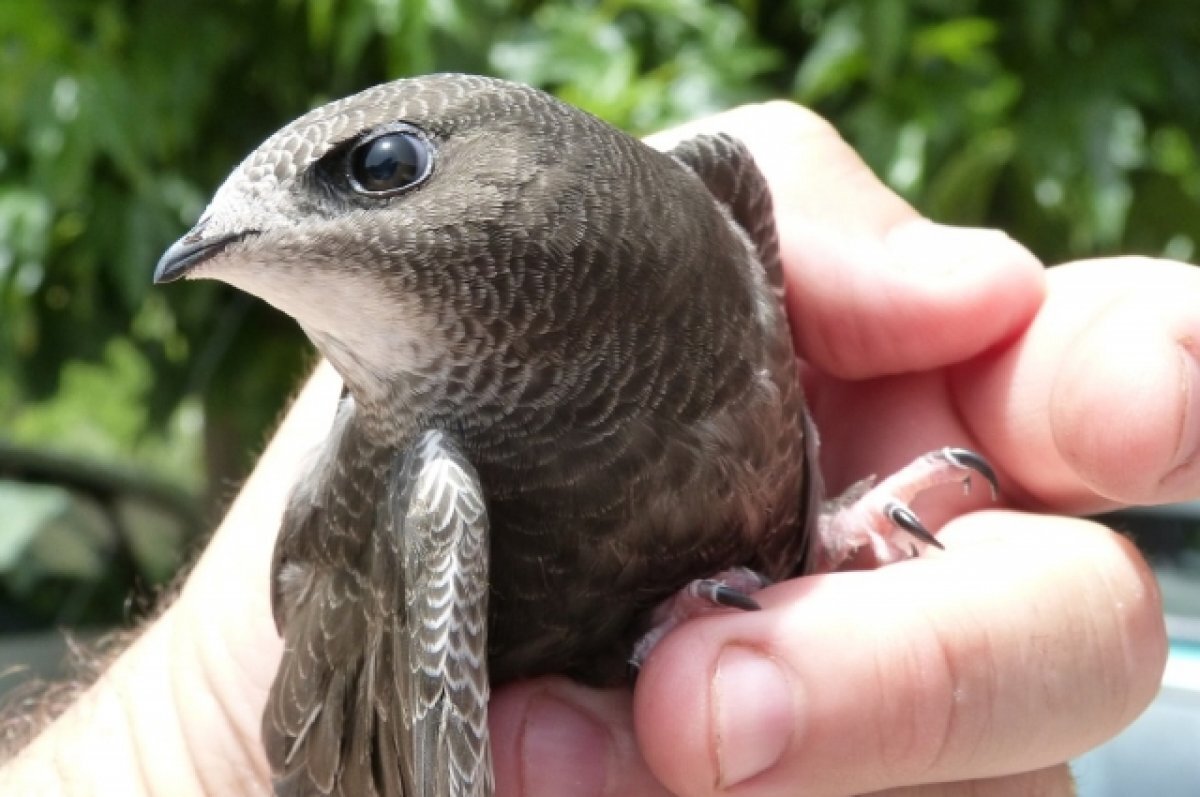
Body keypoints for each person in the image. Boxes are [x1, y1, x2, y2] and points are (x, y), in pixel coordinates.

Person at [0, 100, 1173, 797]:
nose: (260, 242)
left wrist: (826, 530)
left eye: (381, 167)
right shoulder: (431, 480)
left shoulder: (715, 190)